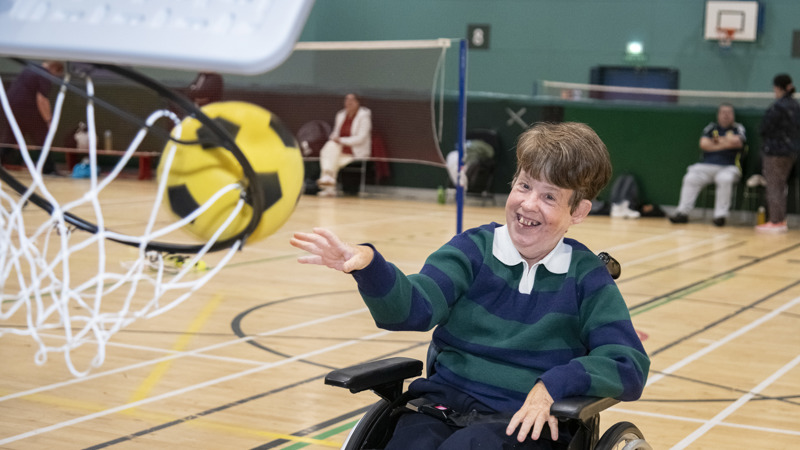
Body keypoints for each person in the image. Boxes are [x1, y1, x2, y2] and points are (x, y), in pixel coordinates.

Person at [291, 122, 650, 449]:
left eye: (549, 196)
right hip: (439, 409)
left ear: (578, 212)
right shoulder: (472, 251)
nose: (528, 204)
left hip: (523, 424)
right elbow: (413, 308)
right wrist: (370, 267)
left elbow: (628, 363)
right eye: (524, 185)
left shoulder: (586, 276)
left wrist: (553, 385)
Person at [669, 103, 746, 227]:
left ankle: (720, 216)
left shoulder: (738, 128)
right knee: (690, 178)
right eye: (723, 112)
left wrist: (715, 143)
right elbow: (703, 144)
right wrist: (726, 142)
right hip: (706, 166)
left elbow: (737, 142)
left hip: (729, 167)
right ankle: (682, 213)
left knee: (724, 179)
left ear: (733, 115)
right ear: (718, 115)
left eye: (729, 113)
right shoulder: (712, 128)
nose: (726, 115)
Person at [0, 60, 65, 173]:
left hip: (11, 108)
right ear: (55, 68)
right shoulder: (44, 75)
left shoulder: (29, 69)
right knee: (43, 137)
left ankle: (48, 168)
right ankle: (49, 169)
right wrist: (48, 120)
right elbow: (42, 99)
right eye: (56, 75)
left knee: (11, 137)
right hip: (27, 109)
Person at [755, 74, 800, 233]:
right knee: (781, 186)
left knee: (774, 186)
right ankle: (780, 219)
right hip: (792, 151)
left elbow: (764, 128)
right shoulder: (796, 105)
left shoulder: (778, 107)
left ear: (777, 88)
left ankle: (776, 221)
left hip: (775, 151)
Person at [315, 93, 372, 197]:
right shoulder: (340, 115)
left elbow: (361, 138)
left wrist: (341, 140)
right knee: (330, 147)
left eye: (352, 100)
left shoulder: (364, 116)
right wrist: (334, 137)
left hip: (355, 151)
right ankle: (328, 180)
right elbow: (336, 132)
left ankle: (328, 186)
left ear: (358, 103)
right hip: (339, 149)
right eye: (347, 100)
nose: (348, 103)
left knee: (330, 158)